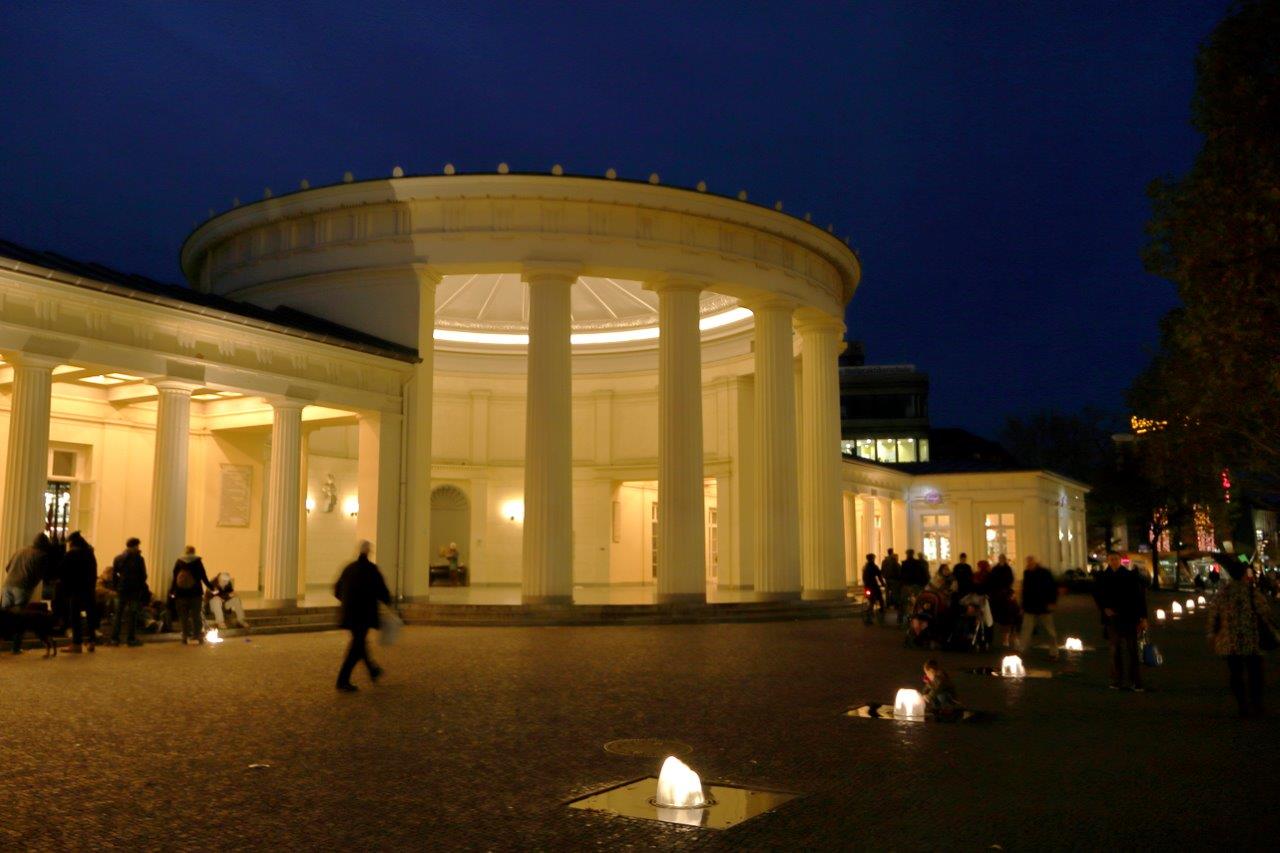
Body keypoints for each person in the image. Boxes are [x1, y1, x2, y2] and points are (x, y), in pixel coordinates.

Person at [1208, 560, 1273, 717]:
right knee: (1255, 672)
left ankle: (1242, 704)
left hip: (1230, 640)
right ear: (1244, 574)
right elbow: (1265, 611)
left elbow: (1213, 615)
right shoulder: (1251, 591)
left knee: (1235, 673)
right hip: (1251, 637)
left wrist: (1212, 633)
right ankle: (1257, 703)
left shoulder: (1223, 593)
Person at [334, 541, 391, 692]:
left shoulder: (349, 568)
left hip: (350, 613)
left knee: (359, 642)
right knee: (357, 646)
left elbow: (336, 588)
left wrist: (346, 601)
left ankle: (373, 670)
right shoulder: (371, 570)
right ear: (369, 552)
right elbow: (382, 590)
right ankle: (342, 680)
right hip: (364, 615)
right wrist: (388, 602)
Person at [1094, 552, 1148, 691]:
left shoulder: (1130, 576)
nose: (1113, 561)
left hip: (1130, 617)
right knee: (1115, 650)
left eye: (1116, 559)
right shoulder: (1103, 577)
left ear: (1120, 560)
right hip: (1113, 618)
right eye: (1111, 559)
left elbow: (1139, 598)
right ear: (1108, 560)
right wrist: (1104, 608)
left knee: (1132, 651)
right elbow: (1097, 595)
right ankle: (1117, 680)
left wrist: (1143, 618)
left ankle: (1135, 681)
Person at [60, 532, 99, 653]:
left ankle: (77, 643)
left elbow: (64, 573)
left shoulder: (71, 554)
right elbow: (94, 573)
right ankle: (91, 641)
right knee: (90, 615)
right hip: (89, 589)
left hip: (75, 590)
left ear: (72, 543)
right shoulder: (90, 554)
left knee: (75, 616)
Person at [1018, 555, 1060, 659]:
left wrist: (1052, 602)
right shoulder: (1027, 573)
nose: (1028, 564)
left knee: (1049, 630)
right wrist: (1023, 605)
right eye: (1028, 562)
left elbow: (1052, 587)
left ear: (1034, 562)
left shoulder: (1044, 573)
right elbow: (1025, 591)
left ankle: (1054, 651)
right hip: (1031, 606)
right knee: (1026, 629)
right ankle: (1022, 649)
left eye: (1030, 562)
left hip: (1043, 605)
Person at [109, 537, 147, 647]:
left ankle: (114, 638)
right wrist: (140, 586)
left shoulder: (118, 558)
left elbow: (115, 575)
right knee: (133, 613)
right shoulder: (139, 559)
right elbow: (143, 575)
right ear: (135, 546)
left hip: (122, 589)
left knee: (119, 614)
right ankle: (131, 638)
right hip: (134, 590)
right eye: (138, 545)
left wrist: (116, 587)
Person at [170, 545, 211, 645]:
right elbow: (203, 576)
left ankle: (184, 636)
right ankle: (197, 636)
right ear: (194, 552)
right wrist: (211, 587)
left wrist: (172, 591)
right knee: (196, 615)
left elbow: (175, 577)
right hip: (195, 593)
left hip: (181, 593)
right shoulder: (197, 562)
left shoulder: (179, 561)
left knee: (183, 616)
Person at [3, 533, 51, 611]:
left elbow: (7, 568)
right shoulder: (42, 555)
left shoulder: (20, 550)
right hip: (23, 587)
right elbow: (41, 574)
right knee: (18, 613)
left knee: (5, 612)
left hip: (8, 585)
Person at [987, 553, 1019, 647]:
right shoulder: (998, 569)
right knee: (1003, 618)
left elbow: (1010, 580)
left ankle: (1007, 637)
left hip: (1004, 595)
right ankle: (1005, 637)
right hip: (999, 595)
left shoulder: (1005, 569)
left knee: (1007, 617)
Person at [861, 554, 884, 625]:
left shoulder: (865, 567)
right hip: (873, 586)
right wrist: (883, 583)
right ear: (873, 559)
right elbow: (879, 575)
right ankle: (881, 611)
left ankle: (869, 614)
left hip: (867, 586)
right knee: (880, 598)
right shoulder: (874, 566)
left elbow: (863, 577)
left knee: (870, 600)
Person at [881, 549, 901, 621]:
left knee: (887, 591)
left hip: (887, 578)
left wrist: (884, 576)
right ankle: (895, 604)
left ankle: (888, 604)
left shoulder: (884, 561)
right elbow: (897, 570)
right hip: (894, 579)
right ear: (892, 552)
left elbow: (882, 570)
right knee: (894, 592)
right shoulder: (893, 561)